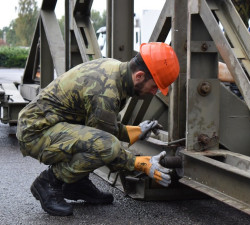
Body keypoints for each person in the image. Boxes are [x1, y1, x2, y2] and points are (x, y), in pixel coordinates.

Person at [16, 42, 180, 216]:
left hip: (51, 123)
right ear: (139, 76)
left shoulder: (115, 70)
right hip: (36, 132)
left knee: (99, 140)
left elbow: (101, 125)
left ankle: (76, 184)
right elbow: (106, 145)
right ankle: (48, 182)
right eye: (154, 86)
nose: (154, 92)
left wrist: (136, 131)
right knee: (108, 146)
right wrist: (141, 164)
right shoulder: (106, 93)